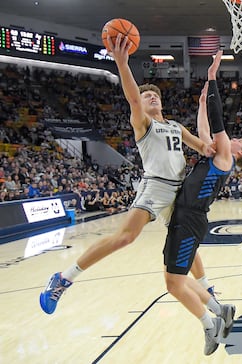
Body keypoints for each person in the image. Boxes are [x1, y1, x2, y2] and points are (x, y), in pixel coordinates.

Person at [39, 33, 214, 315]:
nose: (151, 97)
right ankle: (64, 278)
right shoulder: (142, 123)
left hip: (179, 188)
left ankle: (206, 286)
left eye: (155, 94)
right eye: (147, 96)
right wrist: (122, 64)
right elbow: (132, 98)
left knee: (185, 239)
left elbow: (203, 146)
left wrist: (205, 109)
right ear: (141, 105)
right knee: (125, 238)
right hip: (156, 186)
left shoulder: (175, 126)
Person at [163, 51, 242, 356]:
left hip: (191, 219)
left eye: (238, 142)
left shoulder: (224, 157)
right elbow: (205, 131)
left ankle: (211, 324)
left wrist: (212, 77)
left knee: (174, 283)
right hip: (185, 217)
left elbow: (218, 123)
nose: (232, 139)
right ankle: (221, 308)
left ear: (240, 153)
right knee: (174, 279)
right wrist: (201, 105)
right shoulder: (217, 152)